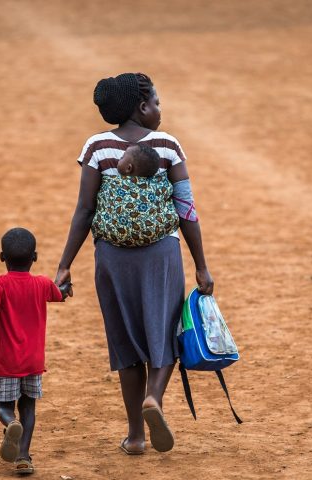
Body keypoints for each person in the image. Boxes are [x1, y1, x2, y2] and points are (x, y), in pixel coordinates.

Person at [55, 72, 213, 455]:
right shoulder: (168, 145)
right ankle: (154, 398)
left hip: (112, 258)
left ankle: (136, 437)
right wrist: (201, 265)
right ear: (142, 107)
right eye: (156, 102)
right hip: (161, 254)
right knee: (166, 334)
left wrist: (64, 265)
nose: (160, 109)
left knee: (126, 345)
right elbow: (186, 209)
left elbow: (85, 210)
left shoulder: (97, 147)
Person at [0, 227, 69, 474]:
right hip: (33, 361)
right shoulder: (42, 284)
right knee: (29, 407)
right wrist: (66, 286)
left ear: (2, 257)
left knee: (4, 406)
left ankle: (10, 423)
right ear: (34, 257)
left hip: (7, 362)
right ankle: (23, 456)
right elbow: (60, 294)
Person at [92, 142, 180, 248]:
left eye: (122, 157)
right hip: (155, 236)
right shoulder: (159, 183)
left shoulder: (110, 182)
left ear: (128, 168)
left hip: (113, 237)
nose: (119, 158)